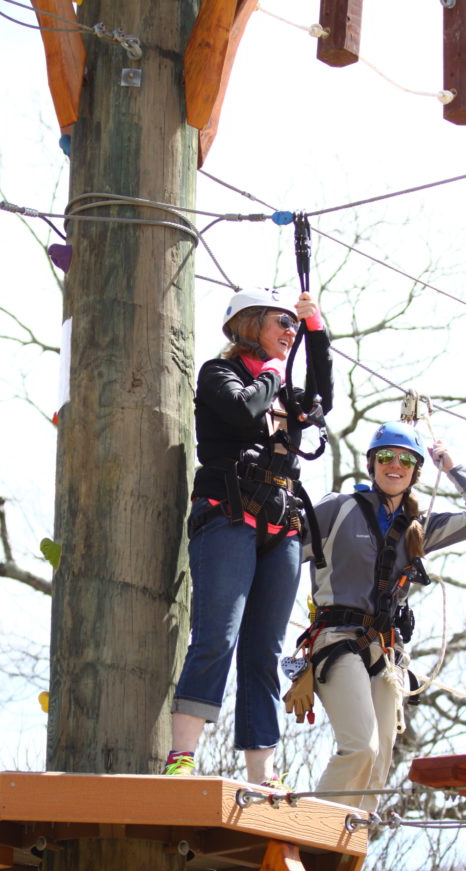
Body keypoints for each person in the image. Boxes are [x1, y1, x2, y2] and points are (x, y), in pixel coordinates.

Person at [300, 420, 466, 871]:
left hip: (384, 652)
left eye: (406, 461)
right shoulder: (337, 508)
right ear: (371, 464)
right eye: (386, 457)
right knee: (360, 744)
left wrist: (449, 466)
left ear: (415, 472)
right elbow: (283, 544)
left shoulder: (419, 527)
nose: (395, 467)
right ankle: (309, 847)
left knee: (380, 760)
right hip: (337, 639)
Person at [162, 286, 334, 786]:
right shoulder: (220, 374)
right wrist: (276, 372)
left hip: (280, 527)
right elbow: (242, 412)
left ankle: (262, 771)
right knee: (218, 634)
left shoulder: (283, 389)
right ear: (250, 324)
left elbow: (322, 394)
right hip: (227, 516)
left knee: (263, 650)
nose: (289, 332)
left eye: (292, 326)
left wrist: (317, 331)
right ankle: (182, 756)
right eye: (281, 323)